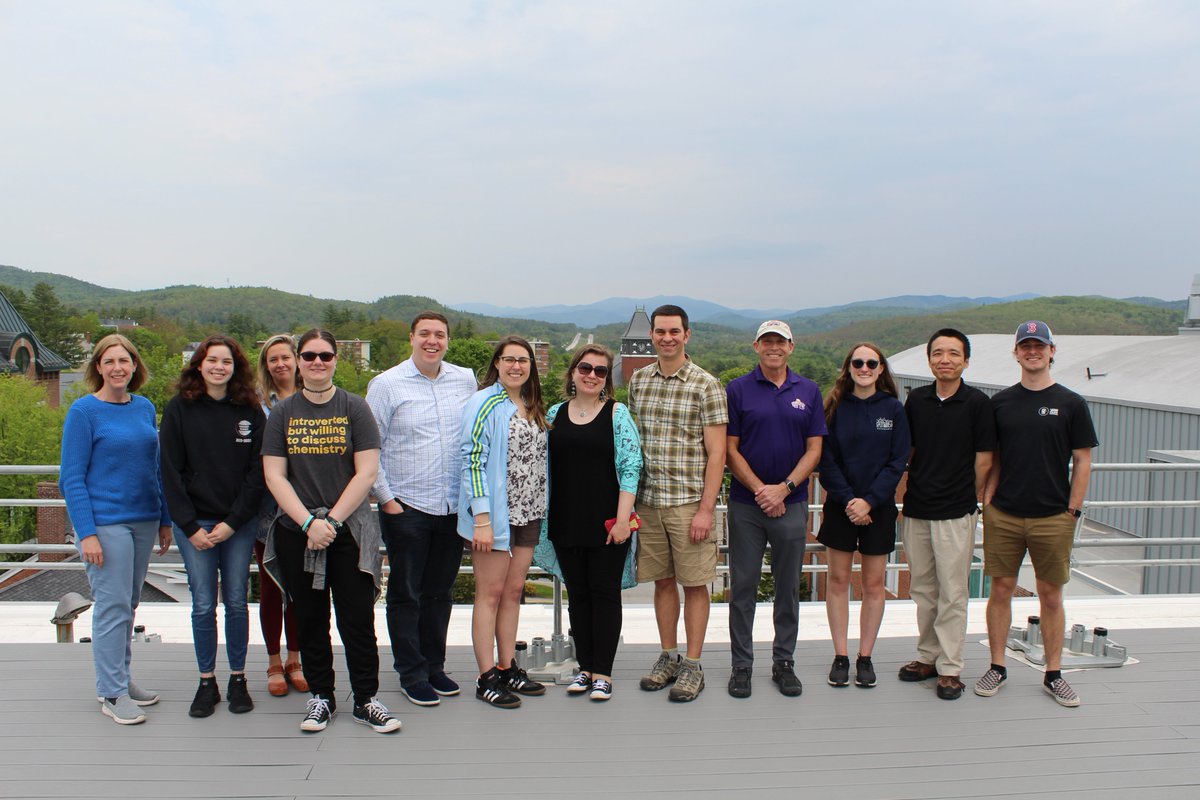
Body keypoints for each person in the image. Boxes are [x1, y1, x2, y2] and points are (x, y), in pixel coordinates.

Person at [261, 329, 400, 734]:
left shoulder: (355, 408)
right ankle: (321, 695)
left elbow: (367, 471)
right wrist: (308, 522)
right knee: (309, 617)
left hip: (350, 531)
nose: (317, 363)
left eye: (325, 355)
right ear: (299, 361)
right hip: (296, 530)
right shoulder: (283, 413)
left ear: (336, 359)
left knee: (357, 617)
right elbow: (275, 475)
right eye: (309, 356)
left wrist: (331, 522)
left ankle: (366, 698)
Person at [976, 321, 1098, 708]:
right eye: (1025, 346)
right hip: (1005, 514)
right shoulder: (1000, 404)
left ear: (1051, 351)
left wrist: (1073, 510)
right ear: (1015, 353)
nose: (1032, 352)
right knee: (1000, 590)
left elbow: (1083, 460)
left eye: (1039, 346)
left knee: (1050, 595)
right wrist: (988, 498)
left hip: (1052, 516)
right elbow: (992, 458)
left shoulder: (1071, 403)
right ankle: (997, 666)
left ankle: (1053, 673)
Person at [59, 334, 172, 725]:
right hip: (106, 523)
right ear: (98, 368)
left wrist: (164, 519)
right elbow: (71, 478)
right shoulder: (84, 412)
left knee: (130, 603)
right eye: (110, 362)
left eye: (125, 361)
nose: (118, 368)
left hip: (144, 519)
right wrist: (86, 533)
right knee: (112, 605)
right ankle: (111, 692)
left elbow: (155, 468)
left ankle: (121, 678)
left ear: (135, 365)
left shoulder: (143, 408)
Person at [366, 311, 475, 707]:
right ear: (411, 337)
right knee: (406, 594)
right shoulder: (386, 385)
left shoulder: (465, 379)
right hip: (407, 506)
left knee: (439, 593)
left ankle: (434, 665)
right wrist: (387, 499)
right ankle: (410, 673)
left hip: (451, 507)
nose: (433, 341)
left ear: (448, 340)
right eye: (425, 334)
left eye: (440, 335)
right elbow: (368, 446)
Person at [160, 335, 265, 718]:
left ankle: (238, 679)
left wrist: (233, 522)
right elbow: (169, 471)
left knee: (236, 601)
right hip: (195, 526)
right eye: (212, 360)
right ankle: (207, 682)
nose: (219, 367)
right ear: (199, 364)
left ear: (236, 368)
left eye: (227, 361)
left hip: (238, 524)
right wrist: (189, 526)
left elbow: (258, 473)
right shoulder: (179, 409)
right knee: (203, 605)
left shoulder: (251, 411)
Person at [627, 305, 728, 702]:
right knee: (663, 583)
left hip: (689, 504)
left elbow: (717, 454)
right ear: (652, 335)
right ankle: (668, 655)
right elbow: (631, 443)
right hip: (649, 503)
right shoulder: (638, 381)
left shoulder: (707, 385)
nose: (666, 338)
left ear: (687, 335)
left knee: (695, 585)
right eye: (660, 331)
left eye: (674, 331)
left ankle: (692, 664)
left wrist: (706, 509)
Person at [724, 321, 826, 699]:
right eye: (767, 341)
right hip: (746, 506)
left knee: (787, 589)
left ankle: (784, 662)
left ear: (791, 347)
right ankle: (741, 665)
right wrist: (760, 490)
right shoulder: (737, 389)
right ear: (755, 346)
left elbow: (814, 449)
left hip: (792, 503)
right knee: (744, 587)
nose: (773, 348)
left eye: (779, 342)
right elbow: (729, 449)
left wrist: (783, 489)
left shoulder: (809, 390)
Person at [897, 329, 995, 701]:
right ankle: (927, 656)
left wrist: (967, 496)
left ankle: (950, 668)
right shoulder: (917, 400)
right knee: (923, 588)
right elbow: (910, 451)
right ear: (929, 360)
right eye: (938, 353)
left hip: (956, 511)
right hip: (918, 509)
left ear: (965, 360)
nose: (945, 359)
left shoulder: (978, 404)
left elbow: (984, 459)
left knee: (953, 592)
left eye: (954, 353)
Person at [540, 345, 641, 701]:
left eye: (600, 371)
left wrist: (624, 519)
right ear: (572, 372)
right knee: (578, 596)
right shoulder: (555, 413)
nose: (592, 375)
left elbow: (631, 468)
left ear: (606, 379)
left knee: (604, 595)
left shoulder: (617, 414)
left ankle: (603, 673)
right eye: (585, 368)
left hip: (608, 523)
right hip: (566, 520)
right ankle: (584, 668)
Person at [457, 336, 550, 709]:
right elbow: (472, 458)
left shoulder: (530, 404)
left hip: (528, 512)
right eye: (509, 359)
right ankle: (485, 677)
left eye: (523, 360)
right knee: (489, 594)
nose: (516, 366)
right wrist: (481, 517)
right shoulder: (484, 403)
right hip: (494, 517)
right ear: (496, 363)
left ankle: (507, 665)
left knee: (513, 593)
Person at [817, 343, 910, 689]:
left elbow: (897, 461)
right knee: (838, 582)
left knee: (873, 585)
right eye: (858, 362)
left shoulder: (893, 410)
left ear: (881, 368)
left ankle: (865, 657)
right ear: (849, 367)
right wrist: (850, 501)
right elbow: (826, 461)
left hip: (879, 509)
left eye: (872, 362)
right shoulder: (835, 407)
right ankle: (841, 656)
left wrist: (869, 502)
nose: (865, 367)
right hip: (841, 508)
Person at [254, 334, 306, 697]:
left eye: (285, 357)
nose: (280, 364)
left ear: (297, 360)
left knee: (302, 591)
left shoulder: (315, 398)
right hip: (268, 512)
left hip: (308, 511)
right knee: (272, 589)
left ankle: (295, 658)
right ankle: (273, 660)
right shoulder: (255, 405)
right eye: (273, 359)